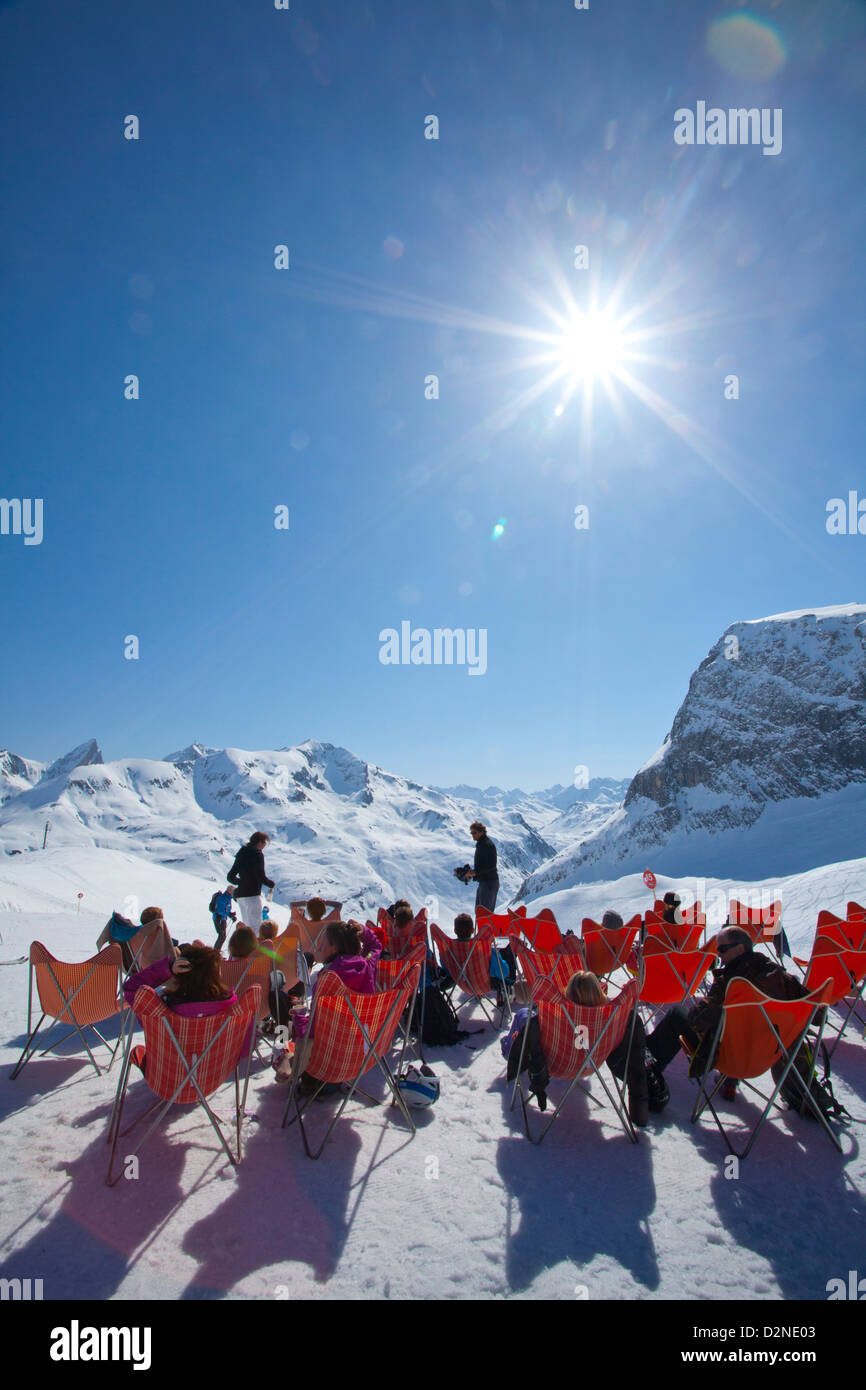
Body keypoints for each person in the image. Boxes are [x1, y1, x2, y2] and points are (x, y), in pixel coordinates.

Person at [645, 926, 811, 1101]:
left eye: (722, 949)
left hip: (729, 1058)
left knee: (678, 1014)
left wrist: (704, 1004)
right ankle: (730, 1082)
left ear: (740, 949)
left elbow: (697, 1021)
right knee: (740, 1026)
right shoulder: (780, 976)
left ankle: (646, 1068)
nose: (719, 955)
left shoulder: (730, 983)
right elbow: (816, 1013)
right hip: (769, 1055)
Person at [565, 971, 650, 1127]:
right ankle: (639, 1109)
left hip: (564, 1063)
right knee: (632, 1020)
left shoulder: (558, 1016)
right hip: (596, 1059)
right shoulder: (611, 1017)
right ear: (599, 992)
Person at [227, 832, 274, 928]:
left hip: (241, 896)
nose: (265, 845)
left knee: (247, 927)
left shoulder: (242, 852)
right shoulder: (257, 854)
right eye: (265, 842)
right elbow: (260, 875)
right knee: (255, 928)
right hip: (253, 896)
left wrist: (242, 882)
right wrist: (270, 884)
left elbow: (230, 876)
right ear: (260, 842)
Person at [468, 821, 499, 913]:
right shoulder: (482, 844)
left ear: (482, 832)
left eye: (474, 833)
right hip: (486, 882)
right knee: (481, 912)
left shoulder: (486, 845)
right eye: (471, 833)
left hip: (489, 882)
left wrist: (475, 872)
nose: (473, 835)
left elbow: (491, 865)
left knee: (484, 914)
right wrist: (475, 872)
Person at [209, 886, 236, 951]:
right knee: (221, 935)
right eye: (233, 891)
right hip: (218, 918)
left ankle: (217, 951)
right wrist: (229, 914)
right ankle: (215, 952)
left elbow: (226, 910)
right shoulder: (222, 898)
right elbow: (219, 910)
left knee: (223, 936)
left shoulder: (228, 898)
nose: (234, 893)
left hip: (223, 919)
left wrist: (230, 914)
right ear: (230, 891)